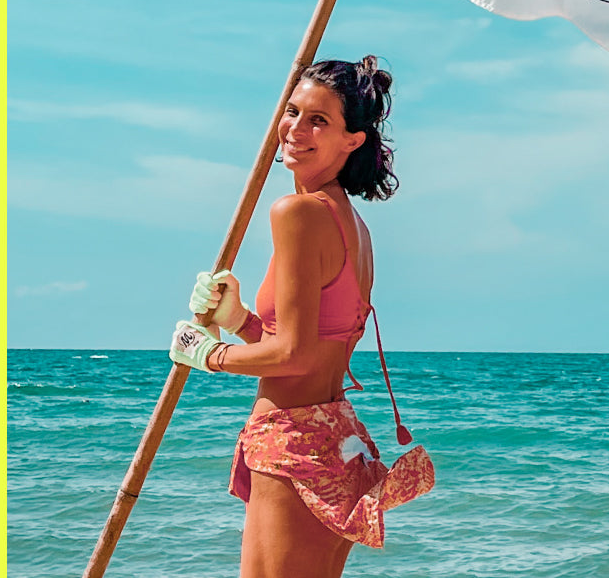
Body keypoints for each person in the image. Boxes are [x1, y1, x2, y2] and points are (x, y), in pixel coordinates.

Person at [169, 57, 434, 577]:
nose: (296, 129)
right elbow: (314, 340)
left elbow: (291, 354)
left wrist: (208, 354)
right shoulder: (352, 225)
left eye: (320, 120)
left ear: (351, 141)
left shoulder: (296, 214)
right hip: (337, 440)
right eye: (292, 111)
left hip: (293, 445)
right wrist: (238, 317)